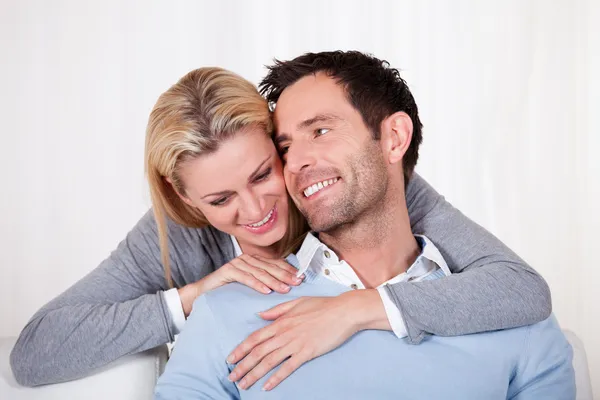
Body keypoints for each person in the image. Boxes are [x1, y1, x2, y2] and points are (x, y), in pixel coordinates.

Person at [11, 63, 550, 388]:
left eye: (263, 173)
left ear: (277, 142)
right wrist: (194, 297)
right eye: (220, 199)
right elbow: (35, 353)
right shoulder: (177, 234)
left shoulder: (355, 195)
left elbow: (519, 288)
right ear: (185, 196)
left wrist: (353, 309)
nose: (254, 212)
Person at [154, 51, 574, 399]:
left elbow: (526, 293)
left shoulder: (509, 312)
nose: (296, 162)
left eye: (320, 130)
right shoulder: (224, 315)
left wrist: (357, 310)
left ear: (393, 138)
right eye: (284, 147)